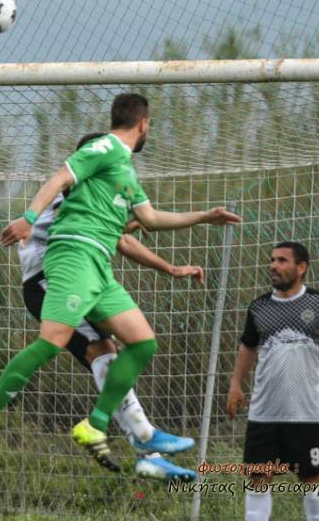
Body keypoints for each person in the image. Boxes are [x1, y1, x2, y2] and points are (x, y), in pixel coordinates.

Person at [0, 93, 241, 466]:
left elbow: (150, 218)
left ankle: (97, 425)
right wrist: (28, 218)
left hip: (98, 265)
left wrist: (204, 216)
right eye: (150, 124)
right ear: (143, 122)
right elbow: (61, 176)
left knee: (142, 342)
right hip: (73, 256)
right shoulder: (105, 146)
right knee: (52, 343)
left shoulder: (125, 173)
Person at [17, 134, 201, 480]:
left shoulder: (84, 192)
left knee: (109, 352)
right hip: (50, 281)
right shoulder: (72, 191)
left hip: (65, 279)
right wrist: (168, 264)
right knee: (103, 353)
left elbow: (115, 235)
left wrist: (167, 265)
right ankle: (140, 445)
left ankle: (146, 449)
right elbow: (116, 238)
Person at [227, 241, 319, 521]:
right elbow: (247, 346)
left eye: (282, 260)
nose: (273, 266)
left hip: (305, 413)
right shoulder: (259, 307)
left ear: (301, 268)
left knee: (312, 477)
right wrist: (235, 384)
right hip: (264, 413)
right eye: (272, 260)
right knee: (258, 477)